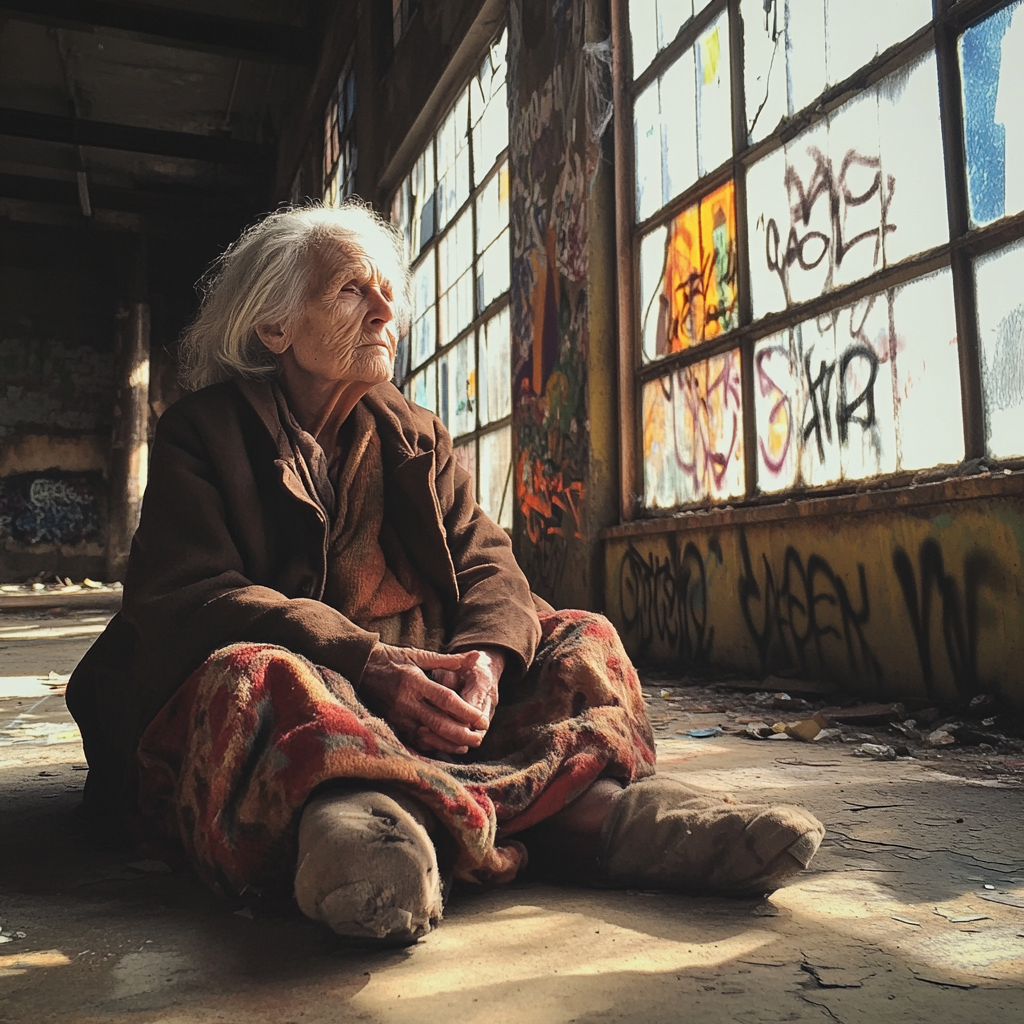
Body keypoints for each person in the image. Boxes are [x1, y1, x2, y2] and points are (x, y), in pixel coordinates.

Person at [67, 203, 824, 947]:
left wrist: (487, 664)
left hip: (423, 688)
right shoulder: (202, 433)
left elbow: (488, 561)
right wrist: (370, 663)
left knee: (579, 636)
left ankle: (602, 818)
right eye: (350, 291)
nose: (382, 309)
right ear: (275, 328)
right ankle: (369, 824)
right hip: (322, 689)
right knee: (253, 676)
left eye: (386, 291)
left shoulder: (413, 433)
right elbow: (194, 594)